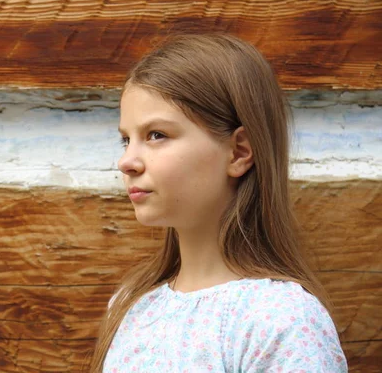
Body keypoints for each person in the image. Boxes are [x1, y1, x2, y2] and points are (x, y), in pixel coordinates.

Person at [89, 34, 348, 372]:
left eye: (157, 135)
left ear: (239, 151)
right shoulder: (131, 303)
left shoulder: (281, 321)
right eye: (126, 139)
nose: (127, 161)